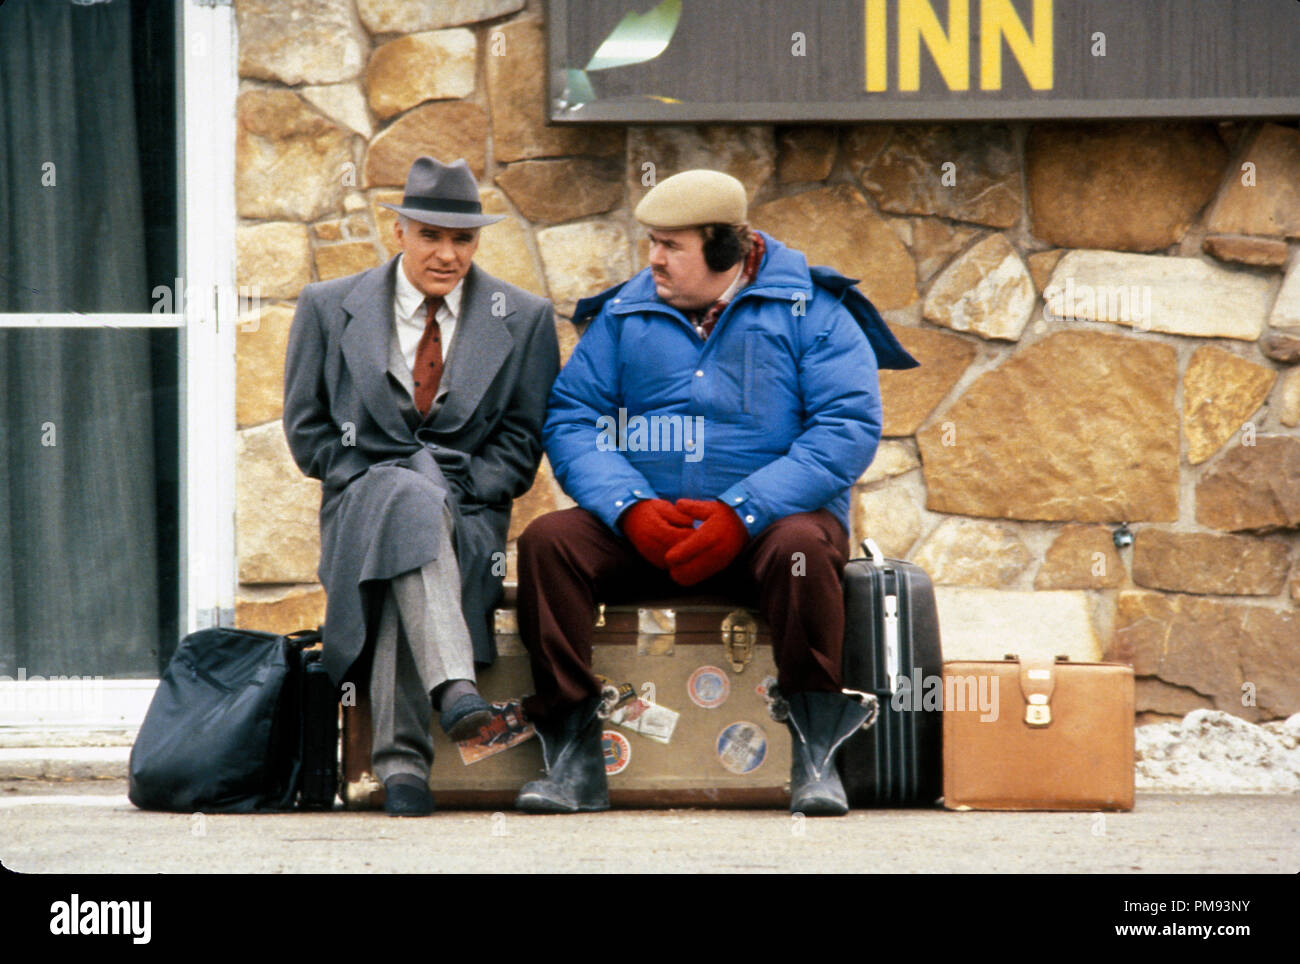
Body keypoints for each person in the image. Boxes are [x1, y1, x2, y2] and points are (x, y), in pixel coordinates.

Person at [514, 169, 916, 816]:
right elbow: (573, 420)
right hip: (651, 533)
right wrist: (630, 508)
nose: (654, 259)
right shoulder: (624, 313)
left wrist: (744, 511)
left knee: (802, 548)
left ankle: (815, 754)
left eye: (671, 245)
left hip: (767, 537)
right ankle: (571, 754)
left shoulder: (814, 312)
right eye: (651, 242)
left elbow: (845, 430)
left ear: (725, 247)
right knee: (548, 543)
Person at [283, 157, 559, 816]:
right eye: (431, 235)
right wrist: (365, 475)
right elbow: (307, 430)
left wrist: (460, 492)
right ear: (399, 229)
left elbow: (523, 440)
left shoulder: (523, 318)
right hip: (361, 505)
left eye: (462, 238)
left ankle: (402, 764)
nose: (447, 253)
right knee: (405, 501)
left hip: (466, 514)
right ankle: (452, 691)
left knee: (416, 523)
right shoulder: (328, 308)